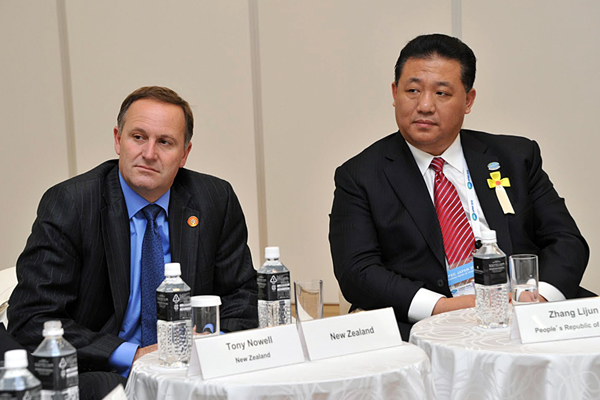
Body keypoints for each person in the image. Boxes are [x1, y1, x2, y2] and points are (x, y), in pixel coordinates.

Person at [329, 34, 590, 340]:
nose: (425, 105)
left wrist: (538, 300)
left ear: (468, 100)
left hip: (524, 311)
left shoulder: (515, 157)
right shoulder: (360, 176)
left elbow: (566, 241)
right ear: (394, 93)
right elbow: (357, 271)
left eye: (442, 93)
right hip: (426, 323)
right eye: (412, 90)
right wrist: (443, 307)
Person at [8, 86, 258, 397]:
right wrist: (134, 354)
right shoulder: (72, 204)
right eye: (138, 137)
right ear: (118, 140)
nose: (149, 153)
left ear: (184, 154)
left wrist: (209, 344)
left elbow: (243, 297)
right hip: (105, 375)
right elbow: (32, 318)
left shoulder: (214, 200)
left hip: (192, 373)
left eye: (165, 142)